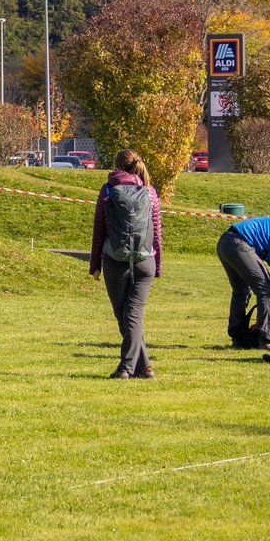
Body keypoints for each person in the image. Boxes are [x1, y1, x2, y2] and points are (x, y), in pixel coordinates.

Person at [89, 148, 164, 379]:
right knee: (133, 315)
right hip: (145, 260)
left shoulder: (108, 189)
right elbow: (157, 232)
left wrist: (95, 264)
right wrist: (158, 263)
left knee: (125, 316)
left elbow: (99, 229)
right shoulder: (150, 191)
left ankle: (126, 368)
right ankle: (145, 366)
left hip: (115, 259)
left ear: (116, 165)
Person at [217, 212, 270, 352]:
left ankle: (238, 338)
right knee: (267, 291)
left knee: (241, 291)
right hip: (240, 242)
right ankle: (267, 340)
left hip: (226, 241)